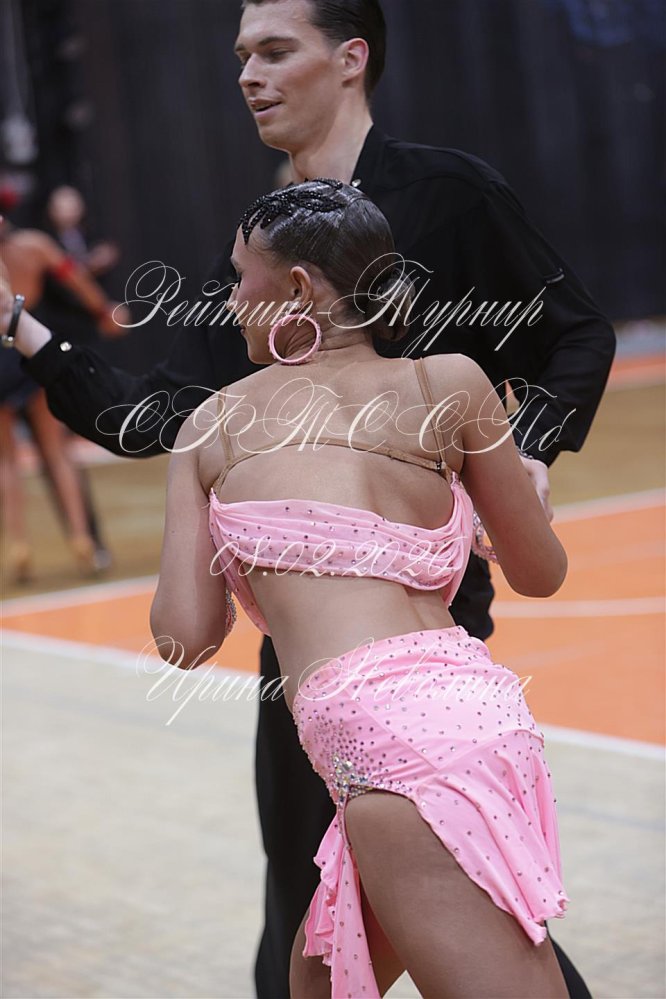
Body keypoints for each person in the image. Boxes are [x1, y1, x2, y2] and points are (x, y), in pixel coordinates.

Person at [0, 1, 614, 993]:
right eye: (242, 54)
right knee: (327, 913)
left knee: (440, 901)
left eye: (276, 51)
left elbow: (575, 332)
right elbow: (146, 415)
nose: (249, 74)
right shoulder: (259, 252)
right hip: (320, 663)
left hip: (429, 634)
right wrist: (19, 325)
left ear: (350, 58)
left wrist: (530, 452)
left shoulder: (449, 194)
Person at [151, 179, 571, 998]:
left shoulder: (213, 424)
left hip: (392, 753)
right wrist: (522, 484)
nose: (229, 300)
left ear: (297, 288)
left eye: (238, 277)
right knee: (316, 984)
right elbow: (541, 572)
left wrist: (218, 545)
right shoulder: (451, 382)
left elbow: (183, 639)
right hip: (471, 718)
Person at [0, 217, 126, 579]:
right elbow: (77, 280)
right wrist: (103, 310)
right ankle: (82, 538)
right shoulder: (33, 246)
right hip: (30, 344)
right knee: (58, 450)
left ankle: (19, 545)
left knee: (6, 460)